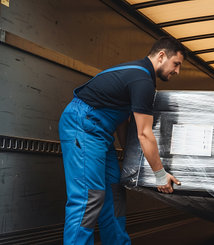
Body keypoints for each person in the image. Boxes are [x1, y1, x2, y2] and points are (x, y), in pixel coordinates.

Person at [58, 37, 185, 244]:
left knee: (114, 192)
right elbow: (144, 133)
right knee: (89, 197)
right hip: (82, 125)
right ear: (161, 56)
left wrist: (130, 154)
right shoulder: (141, 79)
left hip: (101, 133)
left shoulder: (141, 77)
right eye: (176, 64)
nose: (177, 71)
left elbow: (121, 119)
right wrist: (160, 175)